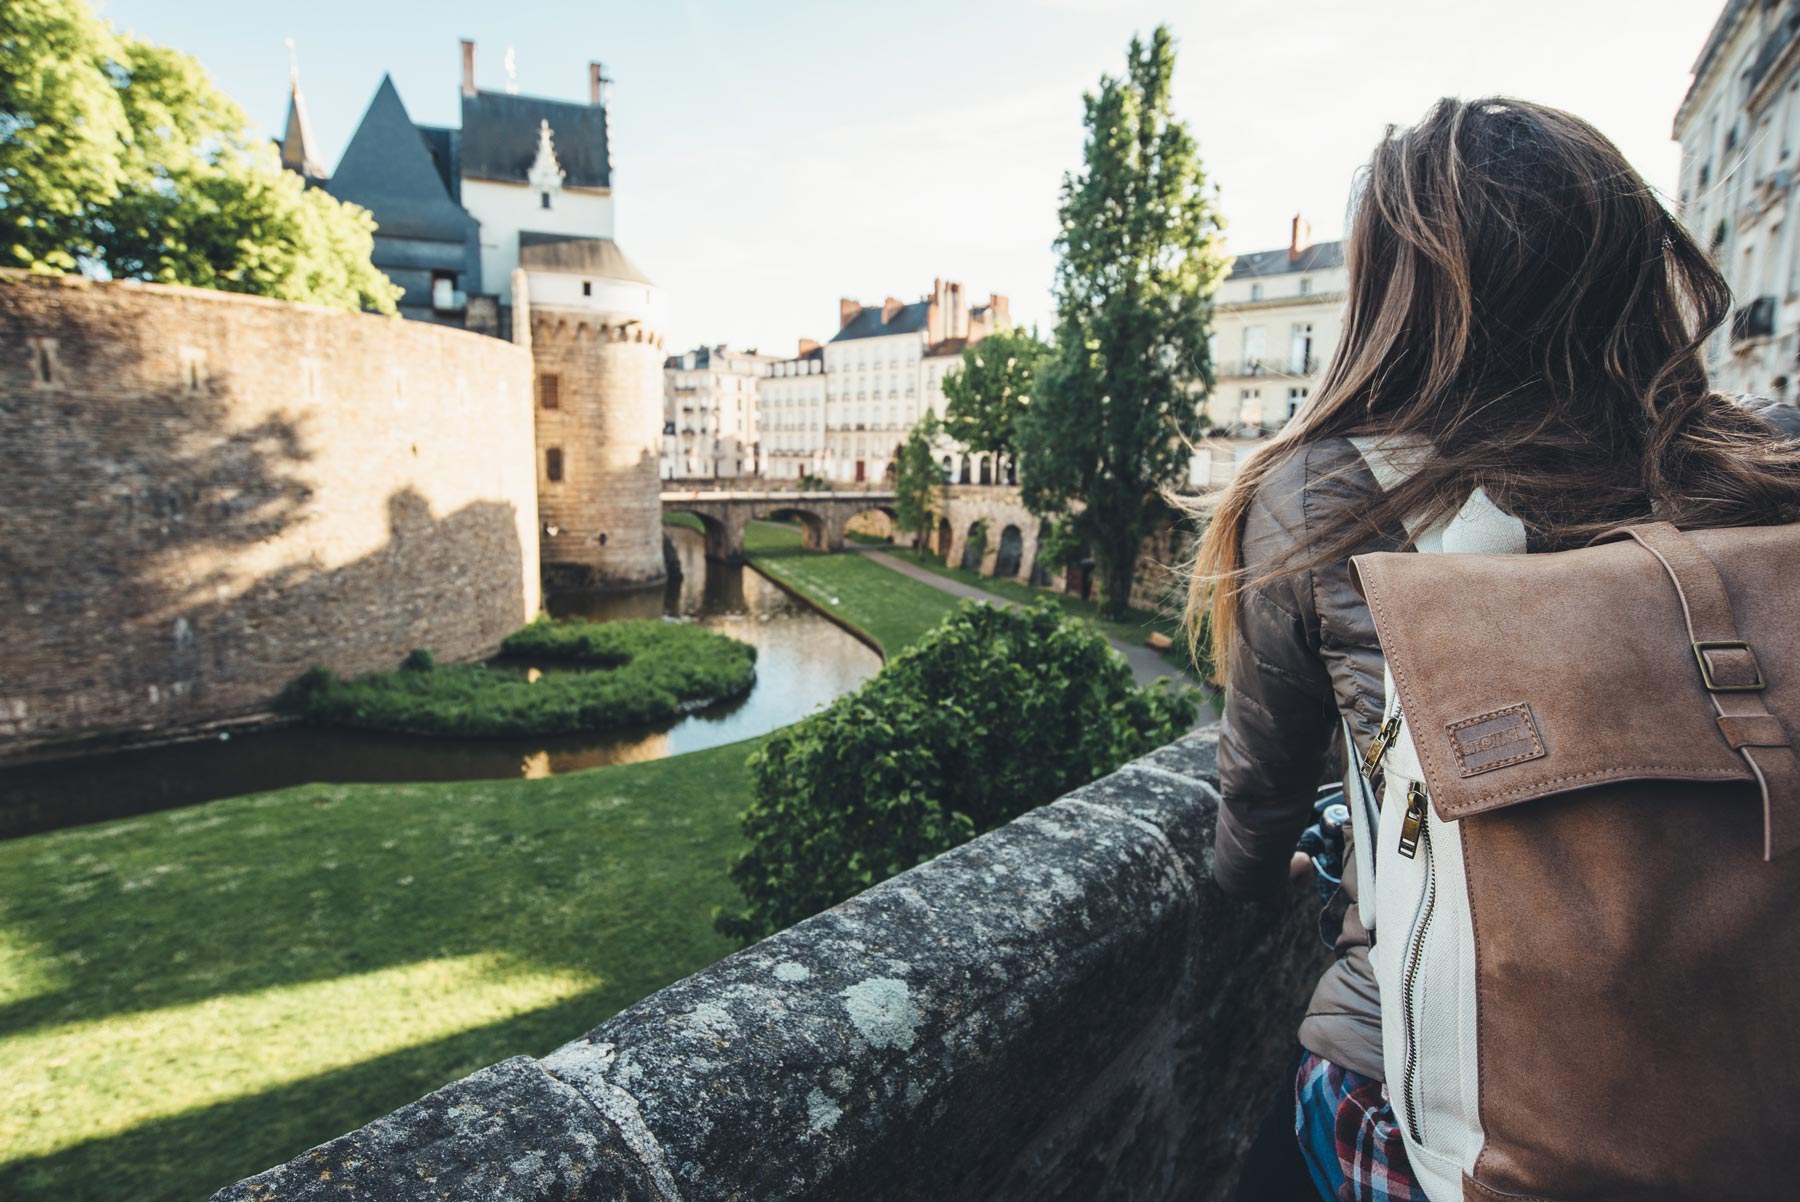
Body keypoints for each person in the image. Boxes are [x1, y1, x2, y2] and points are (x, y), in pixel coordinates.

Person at [1184, 96, 1800, 1202]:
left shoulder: (1326, 493)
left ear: (1395, 294)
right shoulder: (1761, 468)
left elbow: (1257, 804)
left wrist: (1246, 878)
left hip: (1445, 1118)